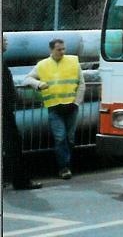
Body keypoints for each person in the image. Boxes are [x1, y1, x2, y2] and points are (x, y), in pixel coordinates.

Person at [23, 38, 84, 180]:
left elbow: (81, 84)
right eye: (59, 49)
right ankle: (64, 167)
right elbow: (27, 79)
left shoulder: (73, 61)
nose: (62, 52)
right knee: (60, 138)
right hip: (54, 107)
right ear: (51, 50)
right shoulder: (42, 65)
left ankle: (66, 164)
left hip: (71, 106)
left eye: (63, 49)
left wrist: (76, 103)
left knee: (69, 138)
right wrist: (38, 84)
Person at [2, 35, 41, 190]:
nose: (6, 43)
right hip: (4, 112)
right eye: (3, 40)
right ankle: (20, 181)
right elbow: (7, 90)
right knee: (13, 145)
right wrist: (19, 101)